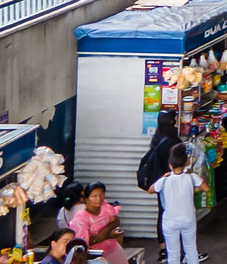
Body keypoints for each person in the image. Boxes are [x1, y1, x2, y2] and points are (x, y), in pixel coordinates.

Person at [151, 144, 207, 264]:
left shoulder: (164, 180)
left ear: (170, 165)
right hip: (188, 220)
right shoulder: (192, 178)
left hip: (170, 221)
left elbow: (150, 189)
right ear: (186, 162)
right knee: (191, 249)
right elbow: (206, 188)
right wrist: (194, 186)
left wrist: (162, 177)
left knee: (173, 253)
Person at [135, 110, 182, 247]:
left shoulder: (157, 138)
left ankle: (163, 247)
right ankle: (171, 248)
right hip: (171, 182)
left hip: (160, 182)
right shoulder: (171, 142)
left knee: (163, 213)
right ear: (172, 121)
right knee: (173, 214)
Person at [68, 183, 130, 264]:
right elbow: (84, 243)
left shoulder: (104, 205)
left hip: (112, 249)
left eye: (102, 195)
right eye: (94, 196)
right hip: (94, 255)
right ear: (86, 198)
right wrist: (108, 236)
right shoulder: (81, 218)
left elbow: (115, 220)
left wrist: (104, 231)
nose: (99, 199)